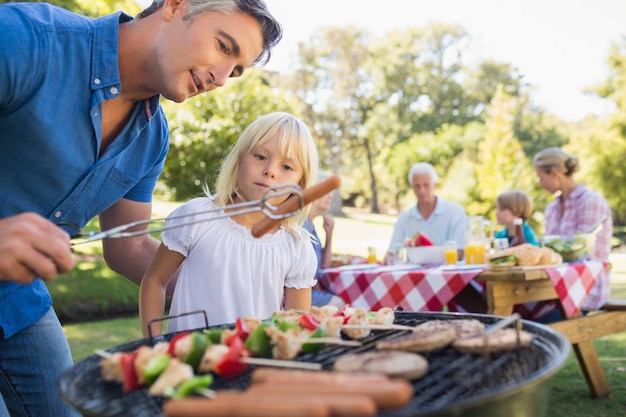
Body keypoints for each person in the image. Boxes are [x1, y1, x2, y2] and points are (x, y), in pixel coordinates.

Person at [0, 1, 282, 415]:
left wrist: (233, 291)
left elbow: (129, 248)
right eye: (224, 47)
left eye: (236, 71)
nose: (222, 79)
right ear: (175, 6)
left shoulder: (152, 139)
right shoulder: (26, 39)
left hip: (18, 303)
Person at [139, 112, 319, 336]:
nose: (270, 171)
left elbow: (296, 330)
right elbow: (155, 280)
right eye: (261, 156)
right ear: (240, 158)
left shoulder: (297, 248)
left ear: (300, 182)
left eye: (287, 167)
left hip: (252, 367)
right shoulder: (197, 217)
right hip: (188, 363)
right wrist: (154, 345)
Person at [531, 147, 613, 320]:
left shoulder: (591, 201)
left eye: (541, 177)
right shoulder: (552, 207)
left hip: (584, 288)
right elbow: (551, 251)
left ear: (554, 173)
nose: (540, 183)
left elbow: (587, 252)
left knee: (533, 328)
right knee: (516, 315)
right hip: (553, 287)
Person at [385, 162, 467, 263]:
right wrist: (391, 259)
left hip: (448, 276)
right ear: (412, 187)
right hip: (414, 276)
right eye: (417, 186)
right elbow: (390, 253)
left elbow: (460, 252)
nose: (422, 191)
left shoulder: (455, 212)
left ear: (435, 185)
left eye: (426, 185)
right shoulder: (405, 217)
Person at [303, 179, 346, 308]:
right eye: (326, 191)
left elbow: (324, 266)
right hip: (299, 294)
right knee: (340, 303)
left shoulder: (311, 224)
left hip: (309, 290)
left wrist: (329, 234)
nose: (331, 195)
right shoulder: (302, 225)